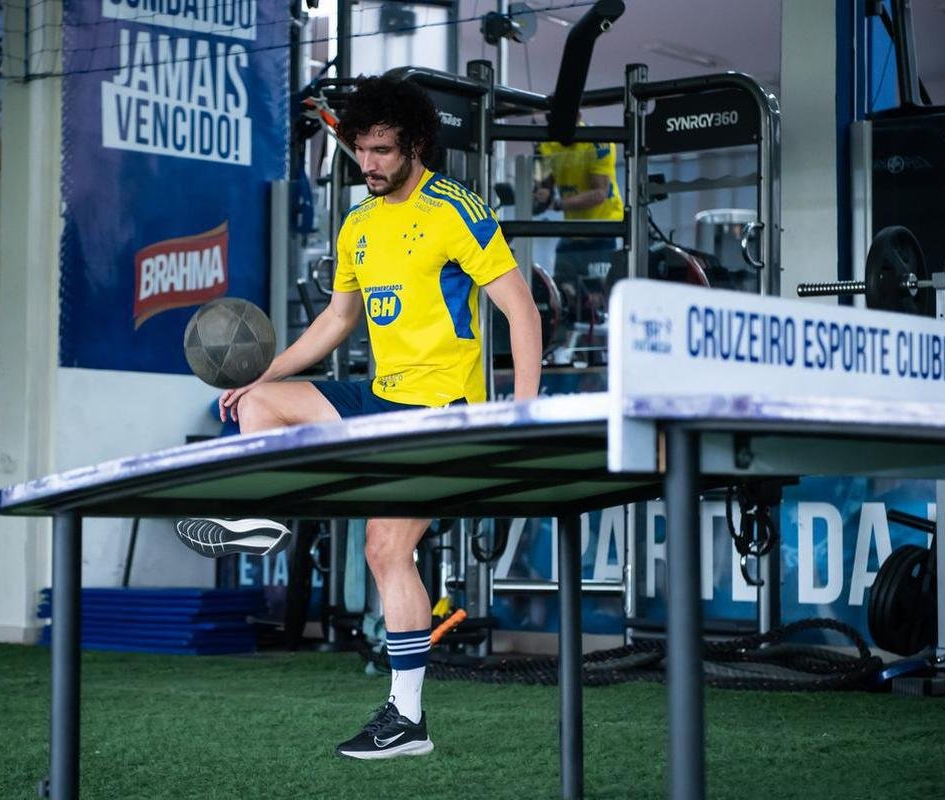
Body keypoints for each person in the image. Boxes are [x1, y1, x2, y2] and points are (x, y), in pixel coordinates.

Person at [174, 75, 541, 760]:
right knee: (257, 403)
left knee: (384, 549)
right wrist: (266, 371)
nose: (367, 165)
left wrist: (519, 413)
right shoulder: (358, 222)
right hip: (380, 397)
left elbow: (519, 311)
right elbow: (338, 319)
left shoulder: (454, 209)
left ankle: (407, 721)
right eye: (359, 152)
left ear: (415, 145)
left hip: (441, 411)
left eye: (380, 151)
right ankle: (265, 522)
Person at [535, 137, 624, 321]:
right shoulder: (547, 145)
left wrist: (557, 204)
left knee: (598, 306)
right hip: (572, 234)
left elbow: (599, 193)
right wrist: (540, 193)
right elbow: (542, 190)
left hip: (602, 232)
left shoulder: (598, 142)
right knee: (564, 302)